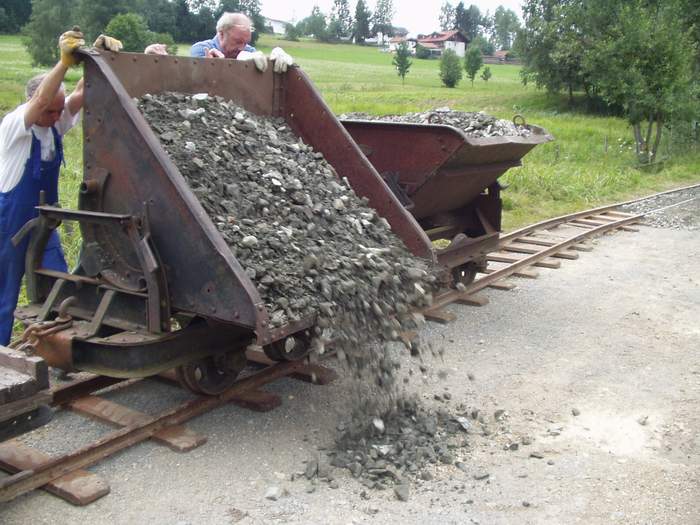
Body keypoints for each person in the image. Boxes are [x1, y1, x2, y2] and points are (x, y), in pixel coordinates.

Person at [0, 29, 121, 345]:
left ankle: (51, 349)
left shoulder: (54, 121)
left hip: (45, 222)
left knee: (59, 285)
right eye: (50, 111)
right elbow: (43, 98)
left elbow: (80, 94)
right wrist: (64, 62)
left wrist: (96, 57)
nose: (56, 116)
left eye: (58, 110)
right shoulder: (16, 125)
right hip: (9, 224)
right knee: (5, 292)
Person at [190, 12, 294, 73]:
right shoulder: (201, 49)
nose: (242, 48)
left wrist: (274, 58)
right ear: (221, 34)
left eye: (245, 43)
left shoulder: (249, 51)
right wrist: (213, 65)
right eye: (238, 41)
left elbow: (262, 65)